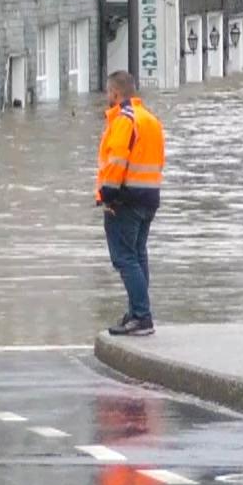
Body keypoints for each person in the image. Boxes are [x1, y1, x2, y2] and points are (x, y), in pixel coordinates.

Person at [97, 71, 165, 337]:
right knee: (137, 256)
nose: (106, 97)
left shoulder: (124, 120)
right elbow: (159, 160)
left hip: (125, 200)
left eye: (107, 93)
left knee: (125, 258)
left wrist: (109, 196)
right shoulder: (150, 120)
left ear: (115, 93)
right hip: (149, 197)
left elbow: (116, 160)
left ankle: (141, 315)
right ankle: (137, 311)